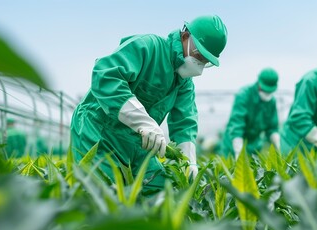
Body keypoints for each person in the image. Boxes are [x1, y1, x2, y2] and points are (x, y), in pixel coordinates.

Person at [70, 15, 228, 195]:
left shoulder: (184, 83)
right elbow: (106, 76)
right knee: (102, 197)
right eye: (199, 56)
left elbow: (185, 122)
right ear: (185, 37)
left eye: (205, 62)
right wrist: (143, 122)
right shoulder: (147, 47)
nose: (199, 65)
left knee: (163, 191)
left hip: (138, 143)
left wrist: (189, 161)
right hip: (99, 132)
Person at [220, 68, 280, 159]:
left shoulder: (271, 102)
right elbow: (237, 124)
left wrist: (278, 145)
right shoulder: (244, 95)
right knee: (233, 169)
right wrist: (238, 151)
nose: (267, 94)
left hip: (254, 147)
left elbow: (272, 127)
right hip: (233, 145)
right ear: (259, 84)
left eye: (270, 91)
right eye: (265, 90)